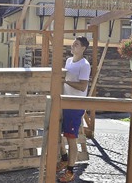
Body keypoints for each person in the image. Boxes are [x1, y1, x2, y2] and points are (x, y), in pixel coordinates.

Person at [57, 36, 91, 182]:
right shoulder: (69, 61)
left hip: (75, 105)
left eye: (76, 44)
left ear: (83, 48)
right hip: (64, 102)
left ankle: (70, 171)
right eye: (72, 44)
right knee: (57, 132)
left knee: (71, 138)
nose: (73, 46)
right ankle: (64, 158)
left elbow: (83, 86)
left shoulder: (85, 65)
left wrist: (66, 81)